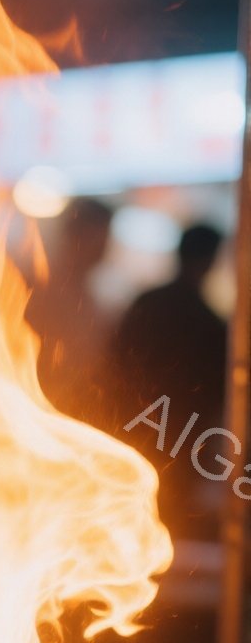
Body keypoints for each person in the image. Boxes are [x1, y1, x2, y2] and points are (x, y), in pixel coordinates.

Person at [109, 221, 229, 537]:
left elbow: (115, 362)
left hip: (139, 424)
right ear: (211, 260)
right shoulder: (208, 321)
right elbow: (217, 388)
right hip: (182, 435)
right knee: (170, 515)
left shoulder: (148, 303)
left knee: (132, 506)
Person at [25, 197, 114, 423]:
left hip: (76, 410)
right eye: (101, 237)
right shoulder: (37, 287)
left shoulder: (91, 296)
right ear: (76, 235)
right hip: (38, 408)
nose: (105, 247)